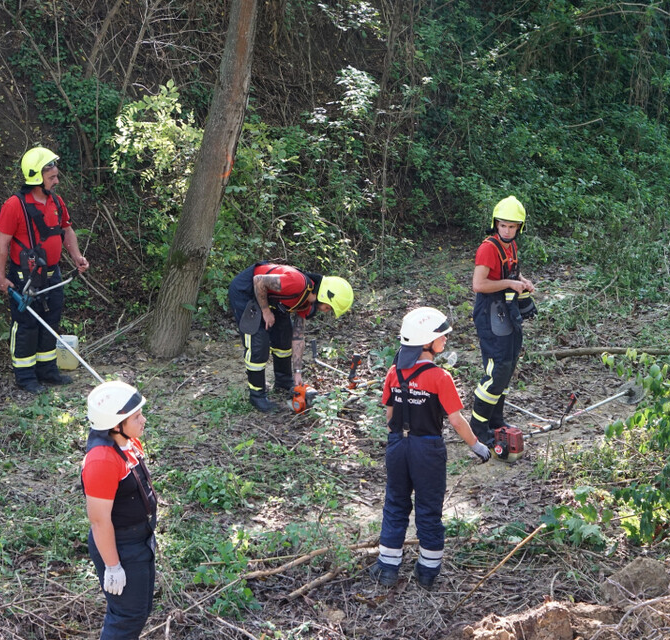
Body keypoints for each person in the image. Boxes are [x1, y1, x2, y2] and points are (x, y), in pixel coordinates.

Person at [370, 307, 491, 590]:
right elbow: (457, 420)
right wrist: (477, 446)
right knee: (428, 507)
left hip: (398, 445)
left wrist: (399, 437)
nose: (446, 340)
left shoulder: (394, 371)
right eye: (442, 335)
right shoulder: (440, 377)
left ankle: (387, 568)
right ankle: (427, 572)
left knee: (396, 504)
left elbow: (389, 415)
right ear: (426, 341)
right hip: (428, 448)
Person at [0, 147, 90, 393]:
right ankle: (25, 377)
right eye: (52, 177)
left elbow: (66, 231)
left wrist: (77, 256)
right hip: (24, 277)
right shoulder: (14, 205)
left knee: (50, 320)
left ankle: (47, 370)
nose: (57, 181)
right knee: (26, 325)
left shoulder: (56, 201)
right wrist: (2, 277)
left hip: (52, 274)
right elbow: (3, 244)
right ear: (36, 177)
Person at [81, 380, 157, 640]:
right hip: (122, 545)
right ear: (115, 424)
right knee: (126, 616)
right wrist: (113, 566)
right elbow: (100, 521)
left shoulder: (128, 442)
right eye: (136, 417)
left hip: (141, 539)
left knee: (140, 610)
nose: (143, 420)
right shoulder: (101, 460)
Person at [228, 263, 354, 412]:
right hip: (246, 291)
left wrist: (297, 372)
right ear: (325, 295)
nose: (327, 311)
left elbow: (298, 336)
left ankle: (283, 380)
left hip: (273, 299)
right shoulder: (297, 283)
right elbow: (259, 280)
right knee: (258, 344)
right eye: (329, 307)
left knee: (284, 336)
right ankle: (257, 396)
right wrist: (265, 310)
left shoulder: (306, 303)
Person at [469, 196, 536, 449]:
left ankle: (496, 421)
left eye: (512, 226)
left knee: (508, 364)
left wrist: (523, 281)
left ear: (520, 227)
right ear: (496, 224)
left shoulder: (512, 246)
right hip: (490, 310)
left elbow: (512, 273)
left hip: (505, 308)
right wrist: (510, 284)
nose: (507, 230)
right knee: (496, 368)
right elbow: (478, 284)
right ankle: (478, 427)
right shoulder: (488, 248)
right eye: (503, 225)